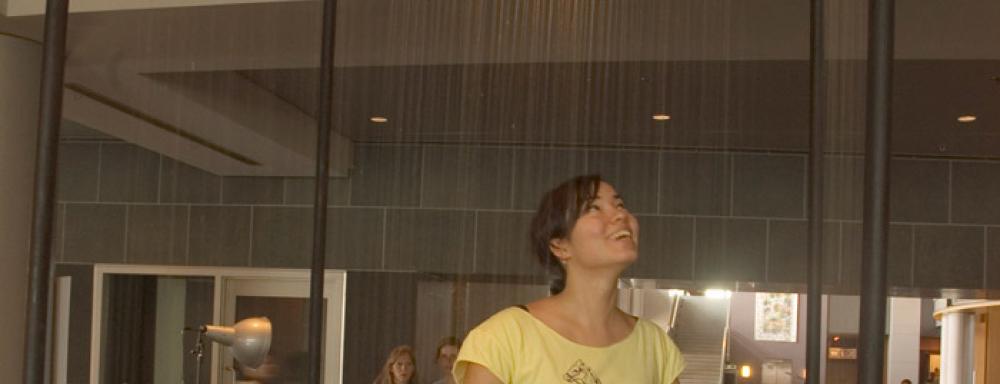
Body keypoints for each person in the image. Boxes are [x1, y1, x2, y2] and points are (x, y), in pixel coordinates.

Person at [453, 175, 686, 383]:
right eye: (594, 207)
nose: (620, 215)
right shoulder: (505, 337)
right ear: (560, 246)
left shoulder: (654, 346)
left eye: (620, 204)